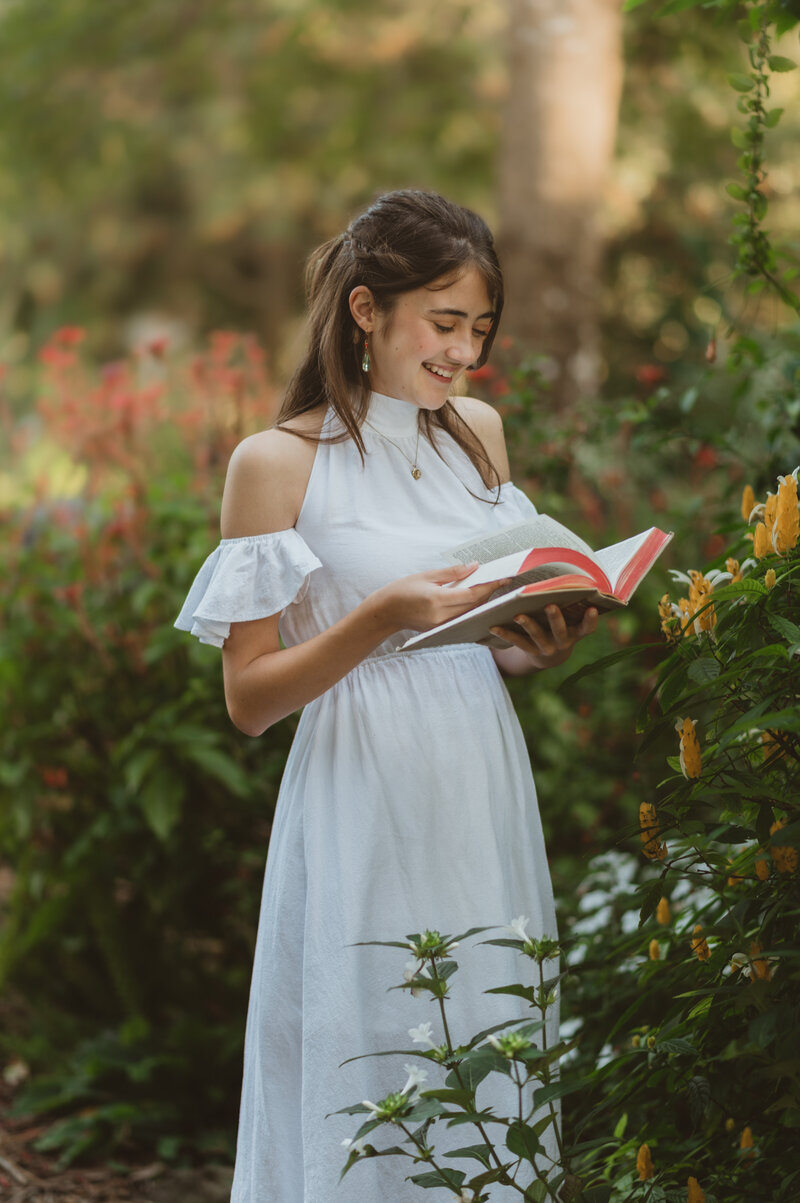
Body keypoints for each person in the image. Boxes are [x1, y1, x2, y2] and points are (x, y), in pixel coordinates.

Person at [175, 189, 597, 1202]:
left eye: (479, 329)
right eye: (443, 324)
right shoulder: (274, 464)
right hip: (360, 786)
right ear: (364, 309)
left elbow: (477, 636)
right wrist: (378, 617)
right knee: (372, 1040)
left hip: (474, 773)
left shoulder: (476, 434)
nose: (464, 353)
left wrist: (532, 642)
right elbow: (249, 697)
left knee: (487, 1029)